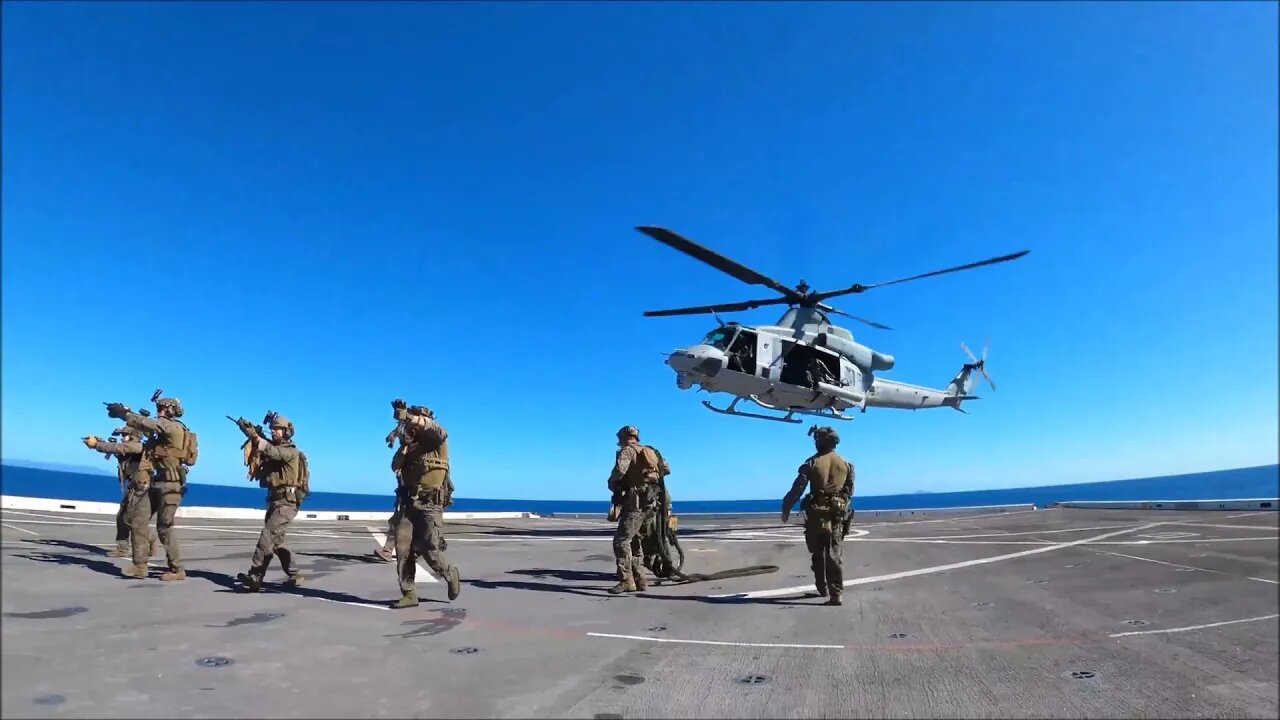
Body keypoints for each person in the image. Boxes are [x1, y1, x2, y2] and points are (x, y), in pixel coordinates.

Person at [106, 395, 196, 581]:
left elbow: (150, 424)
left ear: (170, 411)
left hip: (171, 485)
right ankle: (140, 566)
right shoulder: (161, 433)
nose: (158, 412)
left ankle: (177, 569)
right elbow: (145, 429)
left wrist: (125, 414)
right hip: (156, 483)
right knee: (138, 520)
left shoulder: (174, 427)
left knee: (164, 527)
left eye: (161, 409)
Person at [388, 399, 461, 608]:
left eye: (420, 419)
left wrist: (409, 417)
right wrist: (403, 447)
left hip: (431, 505)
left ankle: (449, 573)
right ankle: (409, 592)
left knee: (431, 550)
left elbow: (435, 429)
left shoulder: (438, 441)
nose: (415, 425)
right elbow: (394, 466)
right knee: (403, 550)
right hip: (410, 505)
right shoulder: (410, 448)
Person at [781, 425, 854, 606]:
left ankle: (822, 588)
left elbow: (797, 488)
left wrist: (786, 507)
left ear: (821, 441)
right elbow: (848, 492)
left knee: (817, 552)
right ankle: (836, 594)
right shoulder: (846, 465)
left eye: (817, 439)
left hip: (816, 515)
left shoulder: (811, 463)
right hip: (836, 515)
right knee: (834, 553)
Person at [234, 414, 308, 591]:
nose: (274, 431)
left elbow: (270, 451)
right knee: (276, 543)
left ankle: (255, 576)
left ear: (287, 432)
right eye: (273, 428)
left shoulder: (290, 451)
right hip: (276, 500)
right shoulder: (278, 447)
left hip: (286, 503)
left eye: (278, 429)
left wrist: (254, 435)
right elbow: (265, 445)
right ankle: (294, 574)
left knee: (266, 537)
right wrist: (249, 431)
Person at [605, 425, 669, 595]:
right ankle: (640, 579)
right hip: (650, 504)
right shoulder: (649, 451)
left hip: (635, 503)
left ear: (623, 437)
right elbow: (666, 470)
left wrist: (612, 483)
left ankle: (626, 580)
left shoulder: (626, 452)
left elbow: (619, 472)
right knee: (635, 541)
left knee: (621, 541)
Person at [81, 425, 157, 560]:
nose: (122, 438)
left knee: (134, 521)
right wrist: (102, 442)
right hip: (133, 487)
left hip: (142, 489)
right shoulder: (128, 448)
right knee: (122, 516)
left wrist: (97, 445)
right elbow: (116, 449)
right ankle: (123, 547)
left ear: (133, 435)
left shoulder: (138, 447)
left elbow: (118, 448)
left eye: (125, 435)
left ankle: (150, 541)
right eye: (121, 435)